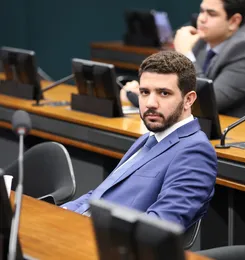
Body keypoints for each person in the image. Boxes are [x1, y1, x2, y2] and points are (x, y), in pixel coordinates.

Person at [62, 51, 217, 229]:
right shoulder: (149, 138)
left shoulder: (196, 152)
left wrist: (85, 229)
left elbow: (159, 225)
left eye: (164, 93)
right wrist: (63, 212)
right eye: (144, 92)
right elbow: (101, 193)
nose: (150, 103)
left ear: (188, 100)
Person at [122, 0, 245, 123]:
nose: (201, 19)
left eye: (211, 14)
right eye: (202, 11)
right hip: (210, 126)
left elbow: (206, 102)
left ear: (234, 21)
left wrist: (185, 53)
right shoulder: (203, 40)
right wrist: (145, 91)